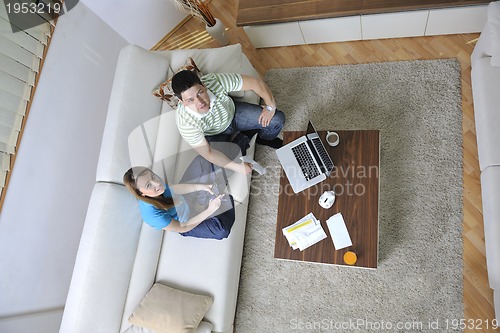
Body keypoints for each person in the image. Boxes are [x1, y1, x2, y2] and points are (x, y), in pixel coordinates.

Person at [172, 70, 286, 175]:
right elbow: (208, 153)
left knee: (277, 120)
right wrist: (238, 167)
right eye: (190, 100)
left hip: (234, 114)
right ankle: (246, 136)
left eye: (200, 93)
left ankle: (262, 137)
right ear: (182, 102)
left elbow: (255, 82)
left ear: (204, 86)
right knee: (222, 166)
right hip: (214, 134)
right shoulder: (185, 122)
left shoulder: (213, 81)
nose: (199, 102)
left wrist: (271, 106)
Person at [123, 156, 235, 240]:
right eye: (148, 185)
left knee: (203, 160)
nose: (157, 183)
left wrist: (201, 187)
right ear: (141, 193)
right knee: (222, 230)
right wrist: (209, 210)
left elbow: (173, 188)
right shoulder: (151, 214)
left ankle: (203, 199)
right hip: (187, 221)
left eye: (153, 176)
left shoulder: (156, 182)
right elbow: (184, 227)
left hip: (185, 199)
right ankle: (205, 202)